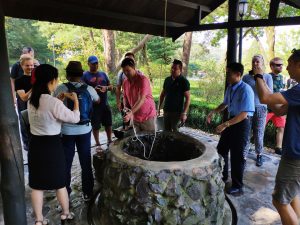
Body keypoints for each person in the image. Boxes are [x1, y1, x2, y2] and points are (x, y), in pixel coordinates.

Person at [27, 64, 79, 224]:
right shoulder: (52, 103)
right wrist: (75, 101)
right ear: (51, 81)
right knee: (59, 182)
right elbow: (75, 118)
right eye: (56, 79)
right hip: (52, 147)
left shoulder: (31, 99)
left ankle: (39, 220)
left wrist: (57, 101)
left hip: (35, 145)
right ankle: (65, 213)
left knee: (36, 185)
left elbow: (45, 109)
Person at [255, 49, 300, 225]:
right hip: (294, 153)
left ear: (299, 64)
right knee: (293, 194)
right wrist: (269, 100)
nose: (287, 68)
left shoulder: (299, 90)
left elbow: (265, 97)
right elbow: (280, 109)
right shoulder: (296, 91)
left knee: (279, 200)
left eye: (289, 63)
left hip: (295, 156)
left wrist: (258, 76)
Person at [53, 61, 100, 202]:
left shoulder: (61, 88)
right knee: (85, 162)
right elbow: (97, 100)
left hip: (66, 131)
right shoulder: (89, 89)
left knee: (66, 163)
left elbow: (55, 105)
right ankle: (88, 193)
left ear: (67, 75)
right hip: (84, 130)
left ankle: (65, 194)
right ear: (81, 75)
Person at [207, 62, 254, 196]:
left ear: (238, 75)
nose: (227, 75)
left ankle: (238, 186)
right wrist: (214, 111)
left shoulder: (246, 89)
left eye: (229, 73)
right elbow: (225, 103)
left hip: (242, 123)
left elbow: (244, 114)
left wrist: (225, 124)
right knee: (221, 149)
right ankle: (222, 177)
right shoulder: (230, 87)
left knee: (237, 155)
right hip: (232, 120)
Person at [242, 54, 273, 167]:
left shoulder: (268, 77)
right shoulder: (246, 77)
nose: (255, 64)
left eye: (257, 62)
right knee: (246, 133)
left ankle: (259, 154)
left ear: (262, 63)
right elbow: (243, 92)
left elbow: (270, 93)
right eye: (253, 61)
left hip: (261, 108)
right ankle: (243, 156)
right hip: (248, 109)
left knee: (259, 134)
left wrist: (260, 78)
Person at [121, 57, 156, 132]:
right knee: (136, 141)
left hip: (147, 116)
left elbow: (141, 99)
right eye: (124, 71)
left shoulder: (143, 80)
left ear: (134, 68)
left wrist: (130, 113)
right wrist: (126, 108)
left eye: (128, 70)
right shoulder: (125, 82)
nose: (126, 73)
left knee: (150, 140)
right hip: (135, 117)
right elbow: (125, 97)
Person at [158, 59, 191, 131]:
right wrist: (159, 107)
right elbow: (162, 94)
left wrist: (184, 113)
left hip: (177, 112)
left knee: (175, 132)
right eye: (172, 68)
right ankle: (166, 142)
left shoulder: (184, 81)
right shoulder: (167, 80)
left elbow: (188, 98)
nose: (172, 70)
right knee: (166, 131)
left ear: (180, 70)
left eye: (175, 68)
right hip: (166, 111)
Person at [266, 57, 286, 155]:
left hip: (279, 108)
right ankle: (249, 144)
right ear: (272, 66)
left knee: (281, 127)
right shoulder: (266, 77)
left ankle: (278, 147)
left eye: (282, 64)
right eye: (278, 65)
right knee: (258, 127)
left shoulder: (282, 77)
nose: (281, 66)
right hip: (267, 108)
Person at [15, 54, 34, 153]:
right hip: (24, 108)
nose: (30, 67)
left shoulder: (37, 79)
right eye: (27, 65)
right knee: (25, 128)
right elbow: (24, 97)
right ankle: (27, 147)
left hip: (36, 107)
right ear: (22, 66)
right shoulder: (19, 81)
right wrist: (34, 87)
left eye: (31, 65)